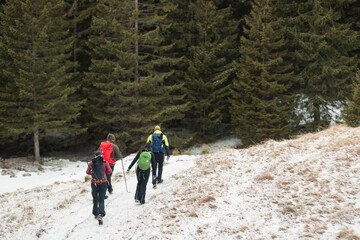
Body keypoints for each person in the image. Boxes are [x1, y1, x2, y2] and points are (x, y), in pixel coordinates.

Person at [86, 151, 112, 223]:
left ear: (95, 155)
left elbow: (87, 172)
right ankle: (101, 214)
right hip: (103, 183)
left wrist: (92, 173)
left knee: (95, 199)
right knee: (101, 199)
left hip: (94, 183)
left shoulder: (91, 163)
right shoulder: (105, 162)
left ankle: (95, 213)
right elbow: (109, 171)